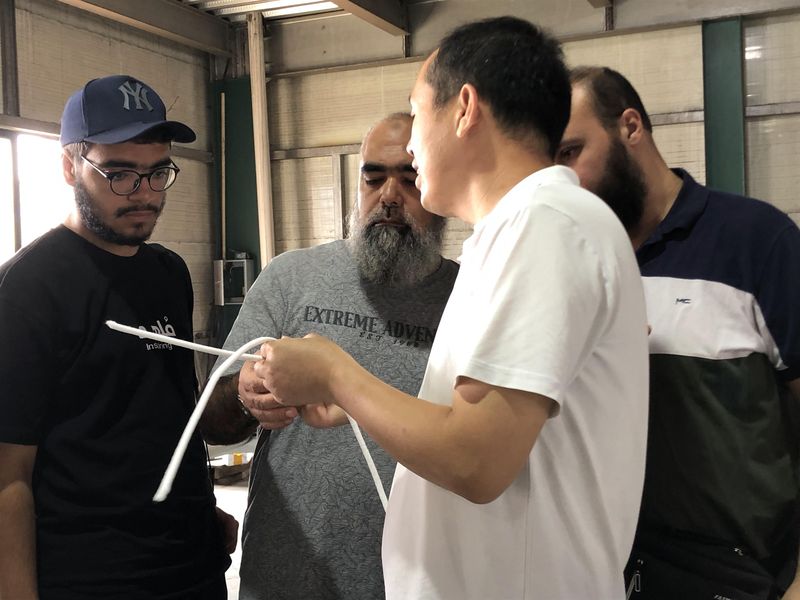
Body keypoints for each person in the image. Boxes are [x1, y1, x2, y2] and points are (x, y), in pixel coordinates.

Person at [250, 17, 649, 600]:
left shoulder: (545, 226)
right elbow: (477, 423)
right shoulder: (516, 232)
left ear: (464, 109)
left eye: (417, 114)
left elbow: (475, 460)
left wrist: (337, 374)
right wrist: (358, 404)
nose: (411, 144)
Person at [556, 65, 800, 600]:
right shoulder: (570, 262)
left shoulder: (757, 240)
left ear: (630, 127)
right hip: (609, 570)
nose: (562, 179)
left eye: (571, 152)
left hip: (744, 575)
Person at [199, 113, 459, 600]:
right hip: (285, 579)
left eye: (409, 179)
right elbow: (212, 421)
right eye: (373, 177)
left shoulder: (469, 298)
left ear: (441, 187)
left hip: (417, 580)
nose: (389, 196)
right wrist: (243, 393)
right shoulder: (290, 279)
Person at [0, 75, 236, 599]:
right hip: (93, 577)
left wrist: (200, 505)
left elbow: (165, 414)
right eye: (120, 174)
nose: (145, 194)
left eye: (158, 173)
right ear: (70, 166)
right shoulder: (27, 288)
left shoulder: (169, 273)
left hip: (191, 564)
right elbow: (8, 475)